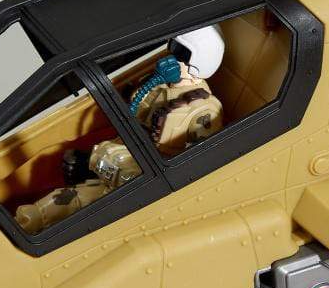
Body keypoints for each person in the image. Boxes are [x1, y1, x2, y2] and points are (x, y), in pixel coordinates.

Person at [15, 26, 225, 233]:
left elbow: (197, 165)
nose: (171, 56)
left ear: (201, 62)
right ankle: (30, 218)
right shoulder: (157, 87)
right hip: (125, 159)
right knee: (67, 197)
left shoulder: (203, 110)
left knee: (88, 208)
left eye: (181, 52)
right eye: (173, 46)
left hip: (147, 182)